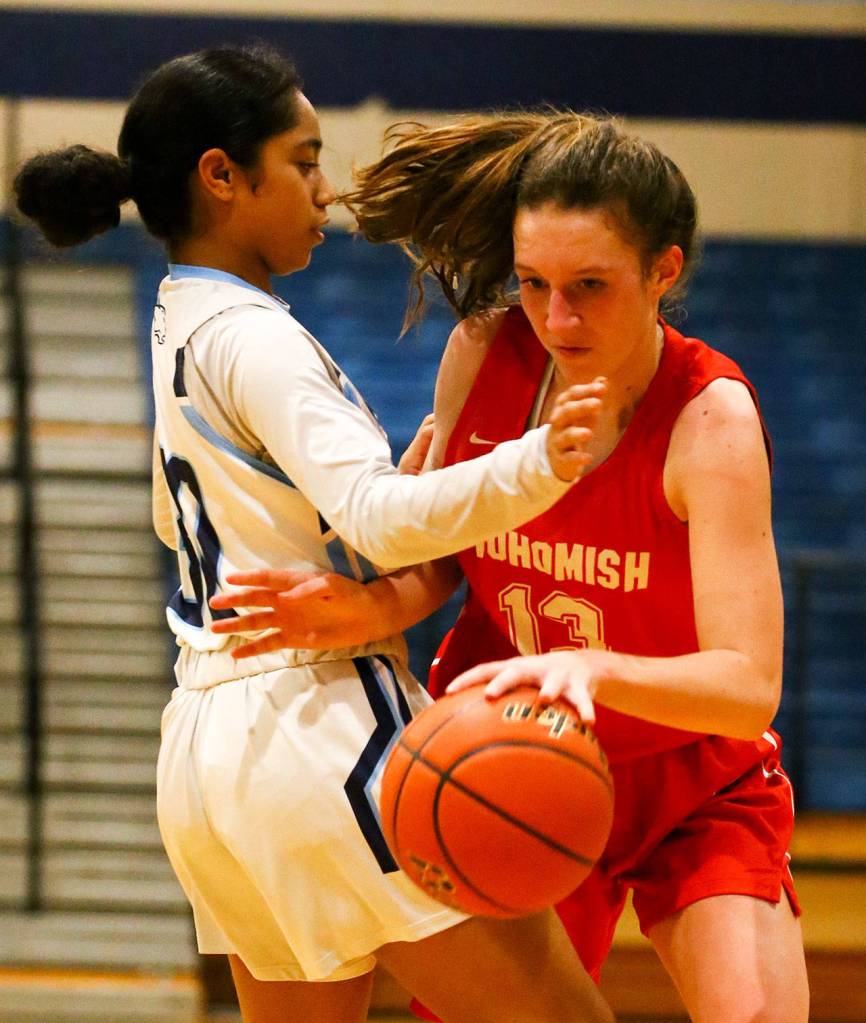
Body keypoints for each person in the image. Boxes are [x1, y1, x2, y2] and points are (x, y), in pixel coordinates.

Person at [13, 45, 617, 1023]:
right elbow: (377, 518)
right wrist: (538, 461)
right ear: (222, 175)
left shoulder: (178, 320)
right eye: (302, 162)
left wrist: (382, 511)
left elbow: (184, 518)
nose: (324, 190)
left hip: (207, 753)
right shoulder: (254, 334)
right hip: (323, 729)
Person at [213, 111, 810, 1023]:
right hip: (511, 759)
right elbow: (444, 562)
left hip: (689, 773)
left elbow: (748, 685)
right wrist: (372, 607)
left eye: (590, 286)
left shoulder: (710, 419)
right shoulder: (485, 354)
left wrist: (591, 668)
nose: (556, 316)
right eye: (534, 283)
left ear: (663, 271)